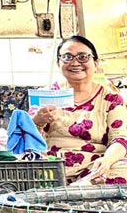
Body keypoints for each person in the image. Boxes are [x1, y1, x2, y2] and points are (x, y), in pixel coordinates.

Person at [32, 35, 127, 184]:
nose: (75, 63)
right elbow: (27, 141)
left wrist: (107, 161)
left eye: (83, 57)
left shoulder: (111, 99)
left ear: (95, 63)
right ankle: (79, 188)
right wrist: (37, 122)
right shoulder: (45, 95)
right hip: (52, 166)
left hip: (95, 166)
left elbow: (120, 139)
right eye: (67, 57)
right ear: (58, 63)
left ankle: (79, 187)